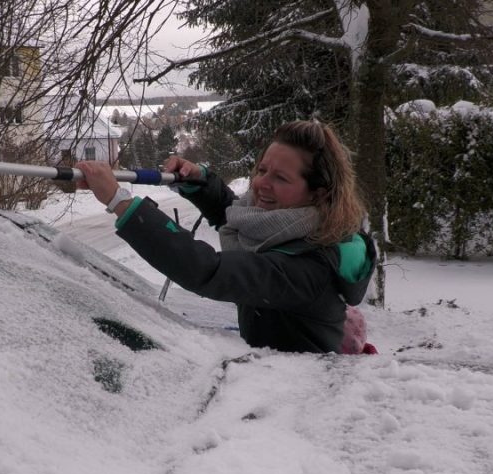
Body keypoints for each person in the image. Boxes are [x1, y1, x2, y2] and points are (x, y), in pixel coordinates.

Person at [75, 120, 377, 354]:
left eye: (280, 177)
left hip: (294, 402)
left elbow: (208, 270)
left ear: (318, 194)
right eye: (262, 169)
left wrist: (120, 202)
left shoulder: (309, 269)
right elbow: (236, 219)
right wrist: (200, 182)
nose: (261, 184)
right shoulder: (291, 229)